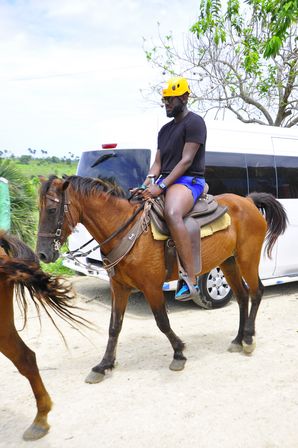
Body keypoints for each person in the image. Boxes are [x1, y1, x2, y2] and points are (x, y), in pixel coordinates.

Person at [137, 76, 207, 301]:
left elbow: (186, 160)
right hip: (166, 180)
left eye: (171, 99)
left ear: (184, 97)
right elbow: (157, 164)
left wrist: (162, 186)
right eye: (165, 100)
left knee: (172, 212)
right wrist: (146, 183)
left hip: (188, 181)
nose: (167, 104)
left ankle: (189, 279)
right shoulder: (164, 130)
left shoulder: (195, 123)